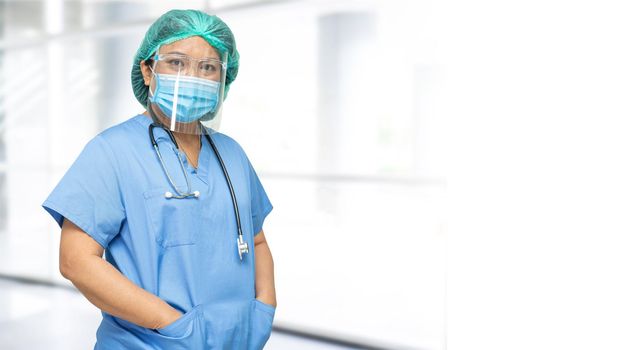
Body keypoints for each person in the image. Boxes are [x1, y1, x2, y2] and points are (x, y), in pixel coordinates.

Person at [41, 9, 277, 350]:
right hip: (150, 342)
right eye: (177, 63)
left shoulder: (231, 154)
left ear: (223, 79)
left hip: (238, 340)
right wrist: (169, 323)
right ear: (148, 71)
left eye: (208, 67)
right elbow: (76, 261)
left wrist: (264, 307)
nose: (192, 76)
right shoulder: (112, 150)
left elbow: (256, 241)